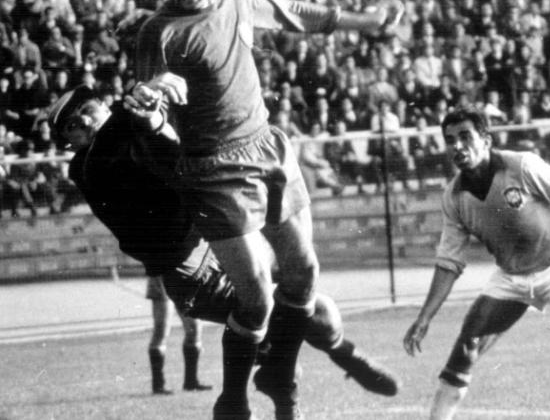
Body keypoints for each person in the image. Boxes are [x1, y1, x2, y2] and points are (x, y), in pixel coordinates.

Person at [133, 0, 401, 420]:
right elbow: (148, 108)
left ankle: (279, 375)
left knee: (305, 272)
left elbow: (298, 13)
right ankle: (234, 398)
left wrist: (367, 21)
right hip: (212, 170)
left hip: (267, 149)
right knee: (254, 296)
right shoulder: (158, 33)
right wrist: (150, 100)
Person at [48, 84, 397, 406]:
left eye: (90, 106)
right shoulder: (86, 166)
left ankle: (334, 357)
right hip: (191, 270)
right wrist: (142, 94)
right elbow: (113, 142)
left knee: (314, 307)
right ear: (69, 139)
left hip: (217, 240)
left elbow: (177, 154)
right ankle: (276, 386)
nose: (92, 114)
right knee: (288, 321)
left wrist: (156, 116)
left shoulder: (134, 133)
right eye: (77, 119)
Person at [402, 106, 550, 420]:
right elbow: (449, 262)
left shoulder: (522, 166)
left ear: (486, 140)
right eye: (450, 140)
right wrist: (424, 318)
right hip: (511, 275)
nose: (457, 146)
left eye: (465, 137)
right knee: (467, 343)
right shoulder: (454, 197)